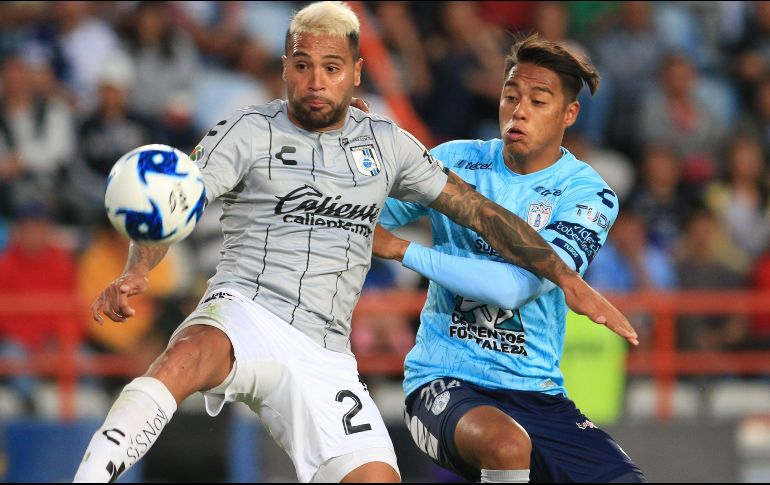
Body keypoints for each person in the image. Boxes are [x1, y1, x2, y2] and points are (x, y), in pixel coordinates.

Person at [73, 4, 634, 483]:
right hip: (252, 311)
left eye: (332, 68)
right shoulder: (246, 129)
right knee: (188, 353)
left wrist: (565, 279)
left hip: (329, 356)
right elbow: (174, 200)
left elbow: (483, 220)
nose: (316, 81)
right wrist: (138, 270)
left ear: (356, 74)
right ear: (285, 69)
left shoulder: (393, 148)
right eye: (303, 66)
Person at [375, 35, 646, 482]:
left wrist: (402, 250)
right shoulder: (452, 162)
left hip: (537, 394)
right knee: (505, 444)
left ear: (569, 114)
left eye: (538, 101)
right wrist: (355, 162)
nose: (518, 111)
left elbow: (515, 287)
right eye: (510, 96)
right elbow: (362, 216)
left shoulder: (588, 194)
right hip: (442, 381)